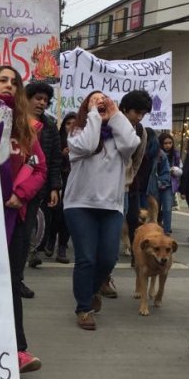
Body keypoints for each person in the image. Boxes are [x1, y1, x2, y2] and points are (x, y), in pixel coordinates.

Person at [0, 66, 46, 372]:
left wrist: (20, 194)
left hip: (13, 217)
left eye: (14, 82)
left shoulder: (25, 127)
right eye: (2, 80)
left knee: (10, 282)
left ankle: (17, 350)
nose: (9, 85)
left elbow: (40, 168)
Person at [64, 91, 140, 330]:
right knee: (86, 258)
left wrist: (115, 115)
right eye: (94, 100)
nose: (101, 102)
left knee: (108, 258)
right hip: (79, 204)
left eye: (104, 100)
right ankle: (83, 308)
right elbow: (88, 145)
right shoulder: (77, 133)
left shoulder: (120, 135)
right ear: (86, 107)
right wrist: (94, 115)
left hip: (111, 206)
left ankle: (93, 288)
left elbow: (132, 144)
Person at [23, 81, 61, 274]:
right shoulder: (15, 121)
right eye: (38, 98)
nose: (42, 103)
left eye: (46, 100)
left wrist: (54, 187)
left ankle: (32, 251)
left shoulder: (50, 126)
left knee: (37, 221)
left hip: (41, 184)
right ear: (27, 99)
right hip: (17, 184)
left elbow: (55, 159)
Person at [119, 90, 153, 257]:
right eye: (137, 112)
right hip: (101, 187)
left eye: (143, 114)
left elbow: (138, 159)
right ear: (125, 108)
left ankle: (133, 254)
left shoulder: (140, 131)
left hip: (125, 187)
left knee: (126, 220)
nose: (139, 117)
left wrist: (128, 178)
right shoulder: (107, 123)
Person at [41, 112, 76, 264]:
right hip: (57, 182)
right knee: (55, 213)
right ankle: (50, 240)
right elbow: (52, 160)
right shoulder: (58, 140)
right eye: (68, 124)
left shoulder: (85, 140)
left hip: (74, 183)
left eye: (74, 124)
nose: (71, 127)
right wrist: (62, 155)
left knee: (67, 216)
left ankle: (62, 247)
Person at [157, 132, 181, 236]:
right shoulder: (157, 153)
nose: (168, 145)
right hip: (157, 184)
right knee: (155, 208)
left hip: (169, 185)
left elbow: (179, 168)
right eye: (165, 143)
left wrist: (175, 170)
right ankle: (155, 228)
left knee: (167, 208)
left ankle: (166, 231)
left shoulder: (175, 154)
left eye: (170, 143)